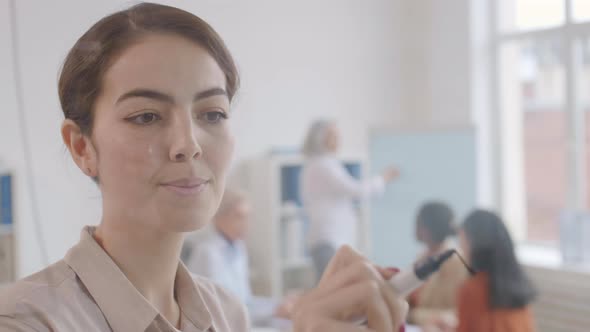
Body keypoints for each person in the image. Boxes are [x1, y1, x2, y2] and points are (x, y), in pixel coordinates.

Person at [0, 3, 407, 331]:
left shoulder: (226, 313)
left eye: (212, 114)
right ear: (81, 146)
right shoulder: (26, 320)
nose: (188, 145)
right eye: (146, 117)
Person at [300, 120, 399, 279]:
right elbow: (356, 190)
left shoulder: (320, 164)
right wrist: (384, 178)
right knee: (334, 290)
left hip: (329, 239)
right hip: (328, 240)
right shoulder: (324, 165)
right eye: (333, 135)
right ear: (320, 139)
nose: (338, 140)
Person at [183, 188, 295, 327]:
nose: (246, 224)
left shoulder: (239, 248)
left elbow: (246, 300)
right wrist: (272, 312)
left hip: (239, 319)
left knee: (290, 323)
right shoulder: (207, 253)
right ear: (218, 218)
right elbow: (218, 310)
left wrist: (278, 304)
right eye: (239, 216)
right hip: (220, 325)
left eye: (247, 216)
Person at [452, 209, 537, 332]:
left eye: (463, 242)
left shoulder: (472, 289)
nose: (462, 249)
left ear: (475, 244)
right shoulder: (517, 283)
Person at [407, 202, 467, 329]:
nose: (415, 228)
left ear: (427, 229)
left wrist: (412, 315)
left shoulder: (456, 263)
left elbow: (455, 313)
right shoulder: (421, 258)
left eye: (418, 223)